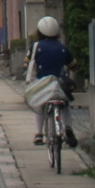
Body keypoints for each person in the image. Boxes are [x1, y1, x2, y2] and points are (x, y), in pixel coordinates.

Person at [27, 16, 77, 148]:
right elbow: (73, 65)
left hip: (41, 84)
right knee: (65, 104)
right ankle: (68, 128)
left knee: (39, 105)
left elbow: (26, 64)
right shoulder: (63, 48)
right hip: (59, 84)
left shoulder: (35, 47)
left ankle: (38, 134)